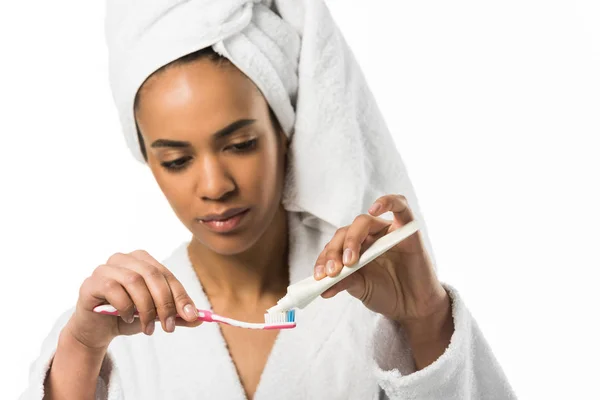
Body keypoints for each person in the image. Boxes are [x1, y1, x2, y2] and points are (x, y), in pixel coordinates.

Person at [21, 1, 516, 399]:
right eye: (175, 160)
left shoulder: (371, 310)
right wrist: (83, 349)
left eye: (240, 145)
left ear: (285, 131)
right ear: (147, 158)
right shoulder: (111, 340)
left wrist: (425, 320)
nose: (214, 185)